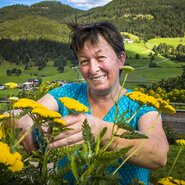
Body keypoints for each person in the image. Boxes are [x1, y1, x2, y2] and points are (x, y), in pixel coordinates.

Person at [15, 21, 169, 184]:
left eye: (100, 57)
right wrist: (23, 120)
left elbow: (159, 155)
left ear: (121, 58)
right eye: (84, 61)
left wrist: (97, 129)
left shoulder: (140, 105)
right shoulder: (66, 94)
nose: (93, 69)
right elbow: (15, 113)